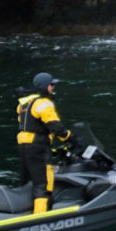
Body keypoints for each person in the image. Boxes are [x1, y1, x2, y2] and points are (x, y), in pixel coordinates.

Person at [16, 72, 73, 214]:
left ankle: (22, 214)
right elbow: (56, 127)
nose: (53, 87)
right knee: (43, 187)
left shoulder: (23, 105)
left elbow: (30, 126)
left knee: (27, 183)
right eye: (51, 84)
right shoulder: (43, 104)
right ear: (44, 86)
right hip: (38, 148)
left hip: (24, 148)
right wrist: (70, 138)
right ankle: (40, 220)